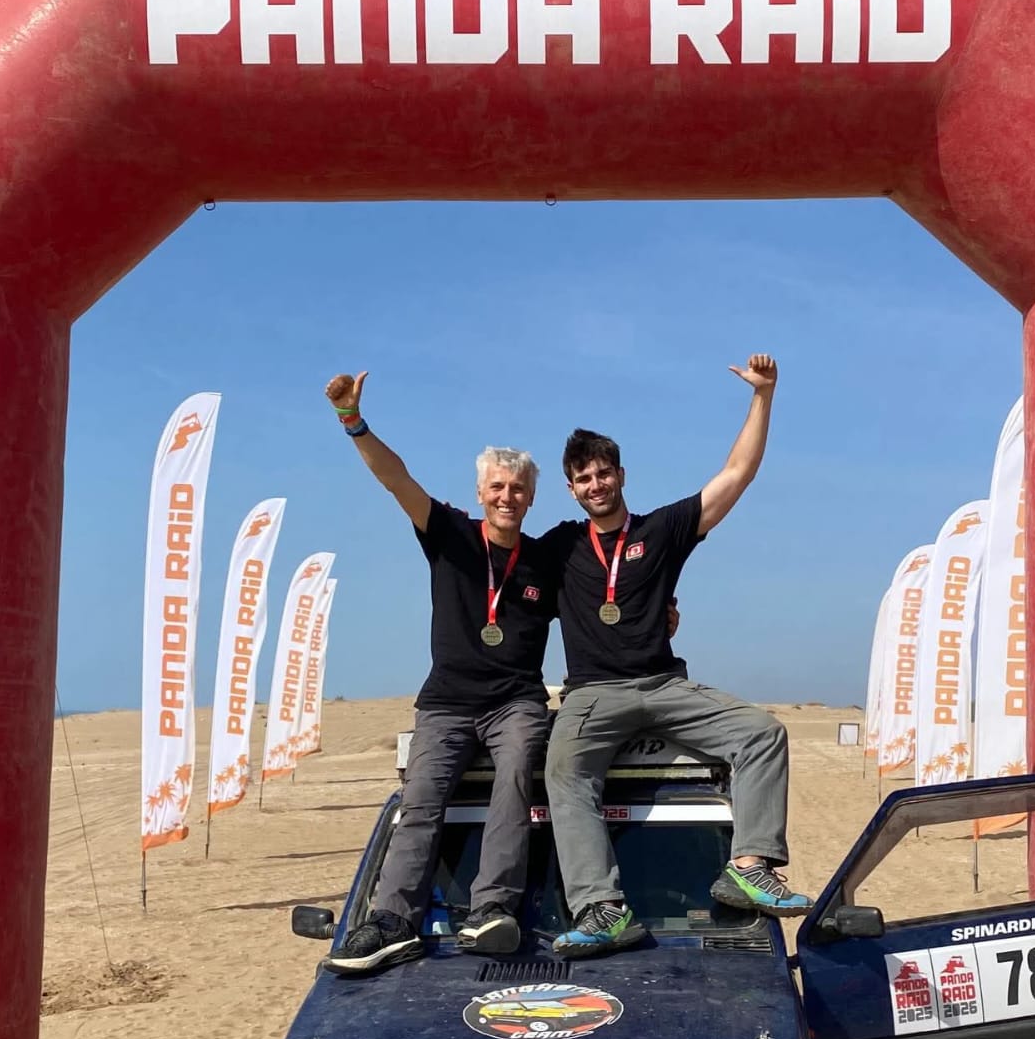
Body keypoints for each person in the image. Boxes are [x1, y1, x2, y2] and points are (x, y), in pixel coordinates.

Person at [542, 352, 813, 954]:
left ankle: (748, 866)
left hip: (665, 687)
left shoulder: (660, 531)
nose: (595, 485)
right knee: (564, 769)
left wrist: (763, 395)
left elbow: (736, 474)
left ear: (621, 474)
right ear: (571, 488)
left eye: (603, 473)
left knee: (763, 733)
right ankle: (603, 908)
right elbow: (496, 564)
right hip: (593, 694)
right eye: (584, 478)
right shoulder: (558, 546)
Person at [323, 369, 558, 972]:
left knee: (514, 782)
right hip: (447, 703)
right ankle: (391, 921)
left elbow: (599, 603)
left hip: (516, 702)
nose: (507, 496)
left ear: (531, 498)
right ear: (480, 492)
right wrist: (353, 419)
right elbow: (395, 478)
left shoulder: (545, 561)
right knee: (420, 802)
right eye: (497, 486)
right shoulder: (450, 533)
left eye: (518, 489)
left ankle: (491, 908)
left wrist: (662, 613)